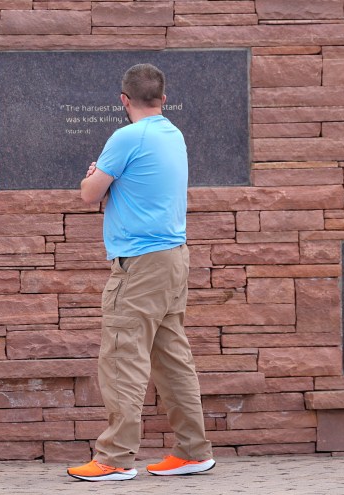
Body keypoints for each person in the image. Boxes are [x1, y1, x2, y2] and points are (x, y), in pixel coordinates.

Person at [67, 63, 215, 482]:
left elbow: (87, 194)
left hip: (141, 264)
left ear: (123, 100)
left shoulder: (126, 137)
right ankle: (193, 452)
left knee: (121, 355)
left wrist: (96, 174)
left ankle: (114, 458)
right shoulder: (173, 134)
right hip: (173, 258)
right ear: (163, 99)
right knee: (172, 359)